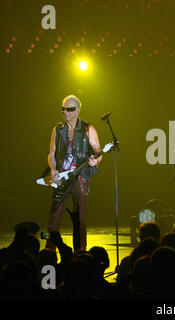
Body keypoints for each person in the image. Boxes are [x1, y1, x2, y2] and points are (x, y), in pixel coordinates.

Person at [46, 95, 102, 252]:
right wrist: (53, 169)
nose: (65, 112)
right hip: (61, 178)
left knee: (80, 219)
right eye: (63, 109)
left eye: (69, 109)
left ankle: (80, 251)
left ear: (78, 110)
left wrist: (95, 161)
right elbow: (51, 153)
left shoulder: (88, 129)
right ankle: (48, 250)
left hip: (80, 177)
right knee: (53, 219)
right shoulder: (57, 129)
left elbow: (98, 151)